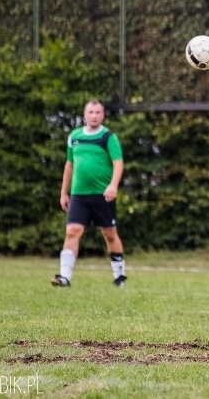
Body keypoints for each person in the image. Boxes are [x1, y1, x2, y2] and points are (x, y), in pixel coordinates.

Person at [51, 100, 127, 288]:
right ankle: (64, 277)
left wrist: (113, 186)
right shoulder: (74, 136)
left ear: (103, 115)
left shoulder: (108, 137)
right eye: (91, 112)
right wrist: (64, 193)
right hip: (79, 195)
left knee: (109, 235)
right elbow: (69, 165)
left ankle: (119, 277)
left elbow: (118, 163)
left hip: (103, 195)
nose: (94, 115)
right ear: (84, 114)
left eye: (98, 112)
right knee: (72, 231)